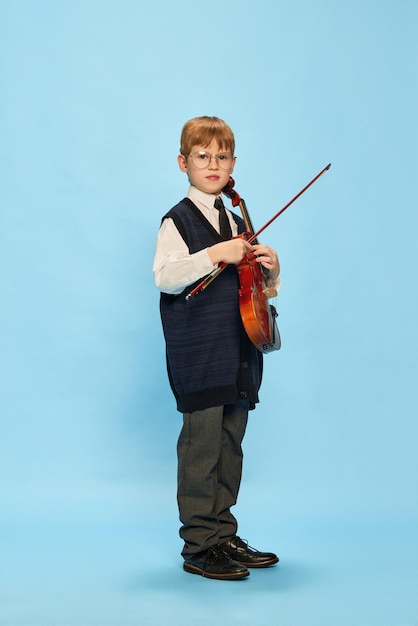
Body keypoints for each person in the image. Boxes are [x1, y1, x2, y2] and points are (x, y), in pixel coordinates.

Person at [153, 116, 281, 580]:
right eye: (203, 156)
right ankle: (199, 546)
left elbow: (255, 289)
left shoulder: (237, 218)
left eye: (222, 157)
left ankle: (224, 533)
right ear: (183, 162)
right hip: (201, 353)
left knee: (230, 443)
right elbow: (165, 277)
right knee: (202, 447)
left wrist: (269, 267)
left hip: (239, 349)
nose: (213, 164)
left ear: (233, 164)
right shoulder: (178, 219)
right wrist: (213, 254)